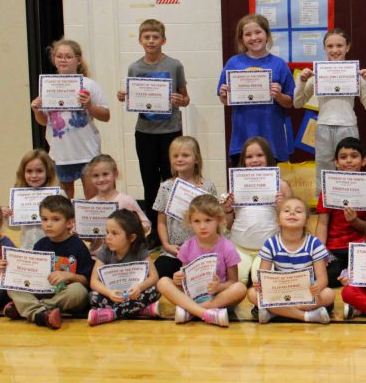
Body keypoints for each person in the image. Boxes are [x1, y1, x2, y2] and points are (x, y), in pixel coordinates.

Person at [116, 19, 189, 240]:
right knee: (149, 182)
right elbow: (134, 97)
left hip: (170, 131)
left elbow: (186, 99)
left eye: (155, 37)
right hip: (145, 132)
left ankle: (174, 229)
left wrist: (180, 99)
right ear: (140, 40)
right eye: (146, 37)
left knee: (171, 181)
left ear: (163, 40)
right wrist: (124, 97)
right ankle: (154, 234)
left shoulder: (174, 65)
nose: (151, 41)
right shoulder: (135, 67)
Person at [293, 28, 366, 192]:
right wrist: (302, 81)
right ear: (324, 48)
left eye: (339, 45)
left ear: (347, 47)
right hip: (323, 127)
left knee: (350, 171)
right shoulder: (318, 75)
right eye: (330, 46)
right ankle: (325, 213)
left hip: (348, 127)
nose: (335, 50)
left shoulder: (355, 74)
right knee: (323, 172)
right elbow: (297, 103)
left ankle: (349, 213)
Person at [30, 39, 110, 199]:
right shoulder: (48, 86)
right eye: (59, 56)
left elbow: (106, 116)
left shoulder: (89, 85)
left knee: (94, 200)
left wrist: (89, 106)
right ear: (54, 59)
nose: (63, 59)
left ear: (78, 60)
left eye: (68, 56)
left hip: (87, 152)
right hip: (60, 153)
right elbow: (45, 122)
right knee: (62, 205)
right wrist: (36, 111)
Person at [0, 195, 91, 330]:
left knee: (79, 291)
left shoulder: (78, 246)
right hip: (43, 290)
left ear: (70, 223)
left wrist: (70, 276)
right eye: (44, 219)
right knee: (11, 286)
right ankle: (41, 313)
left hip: (65, 294)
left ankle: (31, 309)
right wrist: (9, 269)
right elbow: (29, 276)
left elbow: (87, 281)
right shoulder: (40, 245)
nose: (48, 224)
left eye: (55, 219)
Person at [156, 195, 247, 327]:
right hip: (193, 296)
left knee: (240, 288)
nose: (202, 226)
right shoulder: (187, 246)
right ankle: (206, 313)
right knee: (163, 282)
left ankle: (192, 311)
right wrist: (179, 280)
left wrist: (218, 287)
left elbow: (233, 282)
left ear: (219, 220)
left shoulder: (227, 247)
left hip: (218, 298)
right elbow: (185, 280)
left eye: (208, 220)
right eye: (197, 221)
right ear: (190, 222)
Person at [217, 14, 295, 165]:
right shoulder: (233, 63)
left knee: (270, 187)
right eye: (248, 34)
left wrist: (278, 95)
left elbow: (289, 102)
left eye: (258, 32)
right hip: (242, 138)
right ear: (241, 39)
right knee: (244, 186)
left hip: (271, 138)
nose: (253, 37)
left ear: (267, 35)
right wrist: (224, 95)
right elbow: (225, 101)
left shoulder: (279, 64)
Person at [250, 197, 335, 325]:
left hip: (305, 293)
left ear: (307, 221)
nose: (292, 213)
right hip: (280, 292)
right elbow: (263, 275)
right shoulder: (271, 243)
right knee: (251, 293)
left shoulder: (314, 243)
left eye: (299, 211)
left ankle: (274, 312)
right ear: (278, 220)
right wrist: (260, 284)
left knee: (329, 294)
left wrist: (318, 287)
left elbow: (323, 279)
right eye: (287, 210)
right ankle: (306, 316)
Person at [223, 136, 292, 285]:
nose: (254, 160)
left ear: (268, 157)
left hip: (268, 249)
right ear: (243, 161)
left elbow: (293, 223)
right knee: (236, 282)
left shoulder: (282, 185)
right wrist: (228, 210)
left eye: (260, 155)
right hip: (239, 246)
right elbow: (228, 225)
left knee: (260, 282)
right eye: (249, 157)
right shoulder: (236, 186)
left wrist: (283, 207)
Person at [152, 136, 218, 279]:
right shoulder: (165, 187)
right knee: (157, 275)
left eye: (185, 155)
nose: (179, 159)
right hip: (174, 250)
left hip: (203, 250)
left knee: (212, 276)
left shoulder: (208, 187)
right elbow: (161, 221)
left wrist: (203, 197)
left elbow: (215, 219)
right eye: (175, 156)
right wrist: (166, 245)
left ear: (197, 159)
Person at [316, 137, 366, 288]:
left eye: (354, 156)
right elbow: (322, 224)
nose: (348, 161)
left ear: (363, 161)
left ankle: (352, 275)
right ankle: (347, 275)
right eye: (343, 157)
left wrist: (354, 221)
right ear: (336, 163)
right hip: (334, 248)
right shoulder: (327, 190)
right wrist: (319, 253)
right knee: (329, 276)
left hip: (358, 246)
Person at [86, 209, 162, 326]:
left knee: (154, 291)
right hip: (114, 295)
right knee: (93, 296)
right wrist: (109, 292)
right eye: (107, 232)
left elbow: (154, 277)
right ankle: (141, 310)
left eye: (114, 233)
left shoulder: (140, 250)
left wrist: (140, 287)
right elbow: (93, 282)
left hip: (134, 294)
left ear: (131, 238)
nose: (108, 237)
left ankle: (112, 314)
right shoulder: (105, 250)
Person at [84, 154, 151, 256]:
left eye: (105, 174)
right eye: (96, 176)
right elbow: (90, 236)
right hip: (96, 256)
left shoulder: (126, 200)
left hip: (124, 255)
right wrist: (79, 231)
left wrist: (132, 229)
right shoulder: (89, 205)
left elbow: (146, 223)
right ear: (90, 178)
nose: (101, 179)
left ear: (115, 174)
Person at [4, 149, 60, 249]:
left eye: (39, 171)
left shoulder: (58, 194)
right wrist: (7, 216)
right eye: (29, 171)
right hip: (28, 248)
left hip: (53, 248)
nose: (34, 175)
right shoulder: (19, 196)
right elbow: (15, 227)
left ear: (48, 172)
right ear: (23, 172)